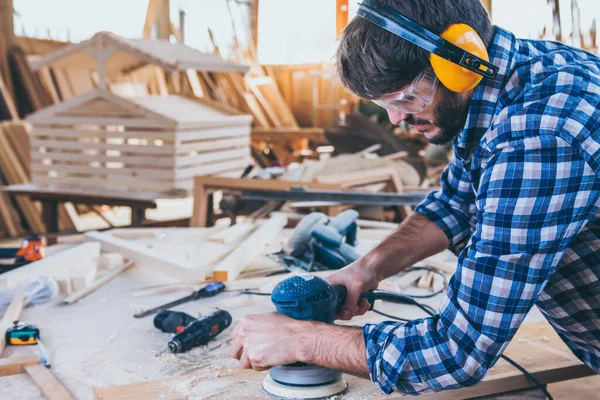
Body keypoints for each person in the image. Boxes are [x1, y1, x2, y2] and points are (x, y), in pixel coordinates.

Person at [230, 0, 600, 394]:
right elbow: (456, 204)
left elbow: (458, 351)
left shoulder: (538, 139)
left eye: (406, 98)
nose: (395, 119)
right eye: (384, 104)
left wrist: (304, 340)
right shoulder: (515, 76)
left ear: (462, 63)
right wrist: (367, 269)